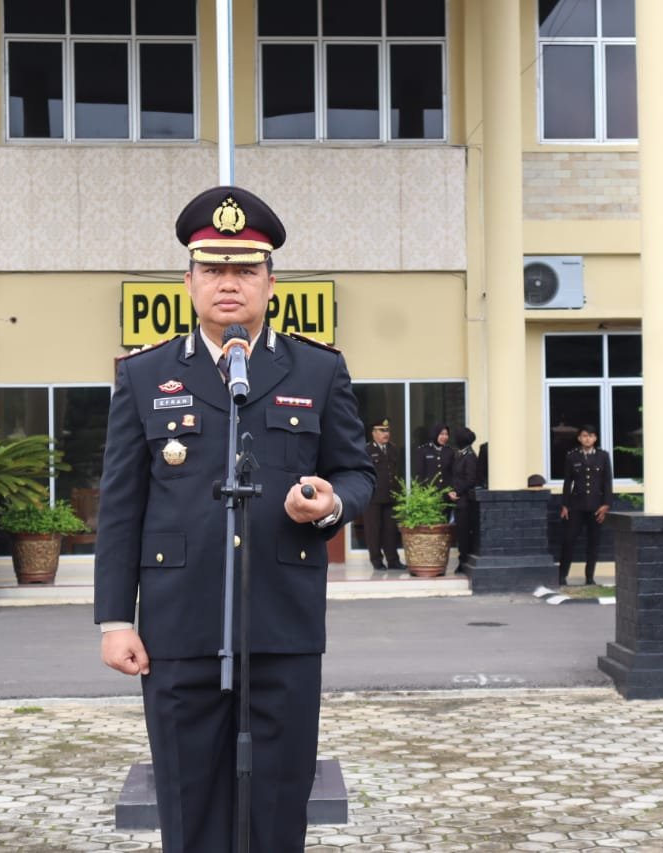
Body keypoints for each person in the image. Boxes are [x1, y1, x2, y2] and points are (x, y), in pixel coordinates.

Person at [94, 185, 375, 853]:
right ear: (188, 280)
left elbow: (358, 473)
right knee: (189, 808)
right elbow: (120, 505)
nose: (229, 283)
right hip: (177, 628)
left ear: (271, 282)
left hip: (283, 625)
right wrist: (114, 619)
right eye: (213, 268)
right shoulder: (143, 375)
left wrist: (329, 503)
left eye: (245, 269)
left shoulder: (318, 367)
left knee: (280, 808)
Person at [558, 425, 613, 586]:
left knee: (593, 542)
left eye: (590, 435)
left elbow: (607, 482)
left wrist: (606, 504)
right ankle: (562, 575)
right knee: (569, 540)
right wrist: (564, 505)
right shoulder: (572, 456)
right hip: (576, 505)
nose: (587, 438)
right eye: (584, 436)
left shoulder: (603, 456)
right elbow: (568, 482)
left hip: (596, 506)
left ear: (595, 438)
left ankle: (590, 577)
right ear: (579, 438)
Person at [364, 418, 405, 571]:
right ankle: (376, 561)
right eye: (381, 430)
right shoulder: (366, 450)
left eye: (387, 430)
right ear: (373, 433)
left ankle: (393, 560)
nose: (385, 433)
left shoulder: (393, 449)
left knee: (391, 530)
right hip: (373, 497)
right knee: (373, 530)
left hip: (390, 496)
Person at [448, 426, 478, 573]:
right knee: (460, 533)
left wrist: (457, 491)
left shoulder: (470, 457)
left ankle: (464, 561)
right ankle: (462, 559)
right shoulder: (460, 455)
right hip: (458, 500)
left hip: (465, 501)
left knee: (464, 533)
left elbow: (471, 479)